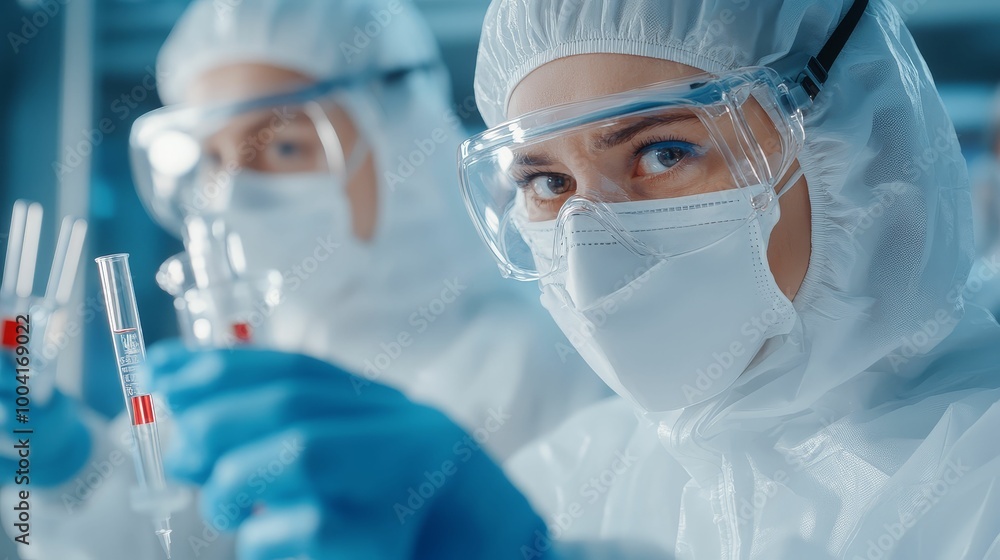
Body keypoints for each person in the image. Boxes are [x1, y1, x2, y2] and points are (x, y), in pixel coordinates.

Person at [139, 0, 1000, 558]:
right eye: (546, 182)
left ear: (854, 136)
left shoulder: (978, 476)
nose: (589, 243)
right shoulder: (586, 469)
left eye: (666, 151)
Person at [0, 1, 609, 558]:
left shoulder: (545, 358)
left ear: (402, 146)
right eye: (212, 158)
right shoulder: (242, 359)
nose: (230, 192)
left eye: (284, 147)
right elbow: (167, 538)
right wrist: (68, 469)